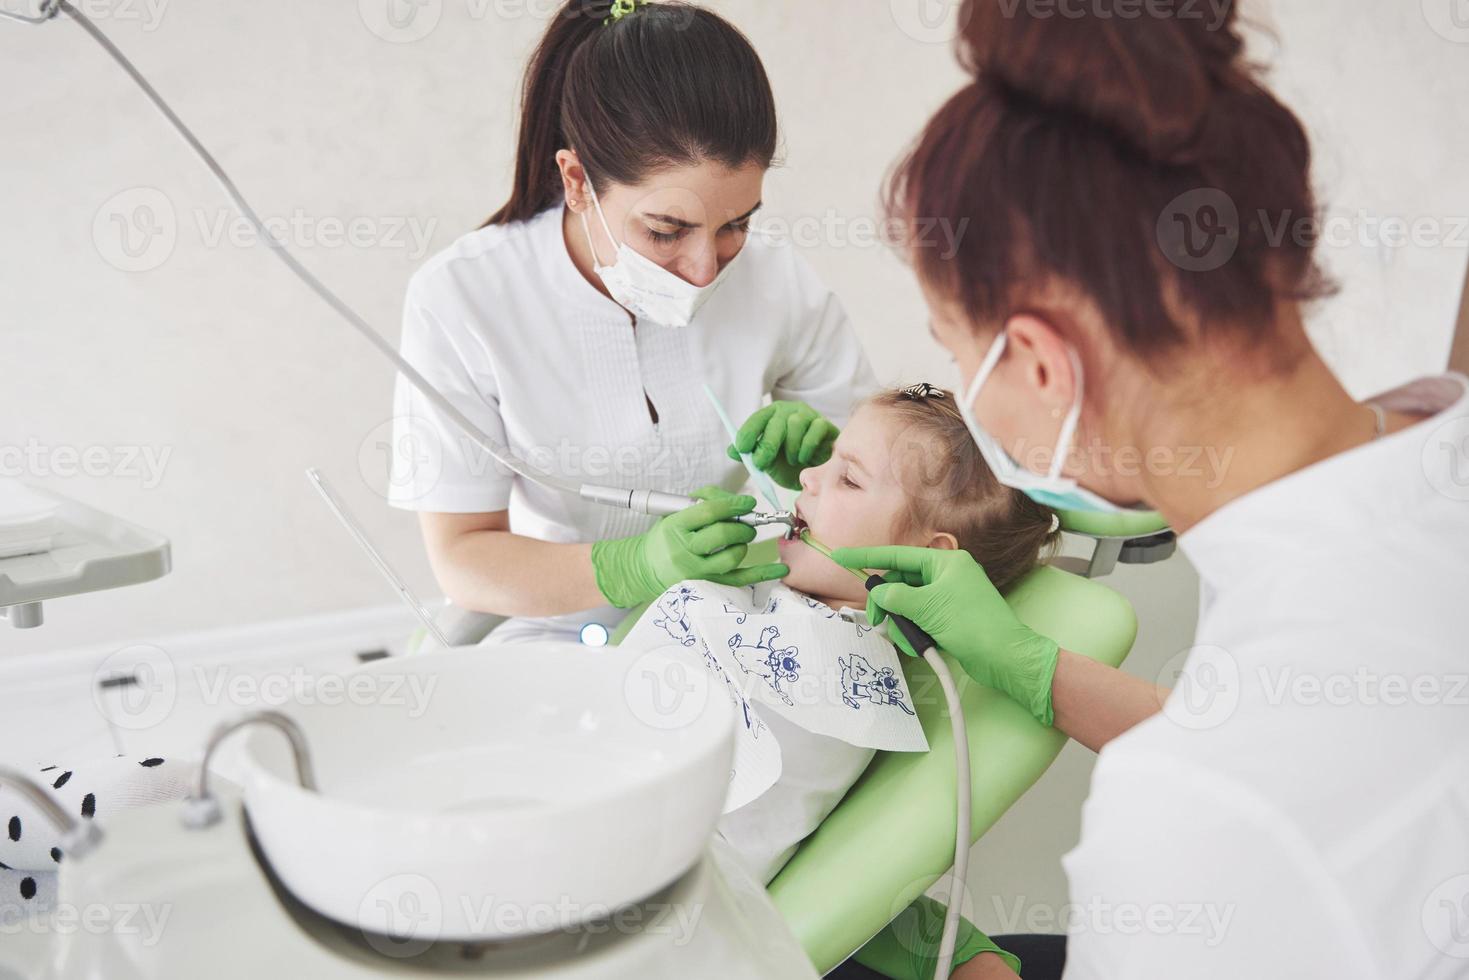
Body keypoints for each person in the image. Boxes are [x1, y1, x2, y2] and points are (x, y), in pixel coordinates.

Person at [747, 2, 1469, 977]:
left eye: (953, 348)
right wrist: (1033, 666)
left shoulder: (1177, 830)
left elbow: (1267, 781)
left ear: (1043, 363)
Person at [389, 0, 875, 644]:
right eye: (666, 230)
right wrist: (631, 567)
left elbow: (891, 485)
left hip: (742, 611)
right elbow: (464, 556)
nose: (705, 269)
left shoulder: (778, 281)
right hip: (561, 630)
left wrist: (831, 461)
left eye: (736, 224)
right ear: (577, 182)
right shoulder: (464, 298)